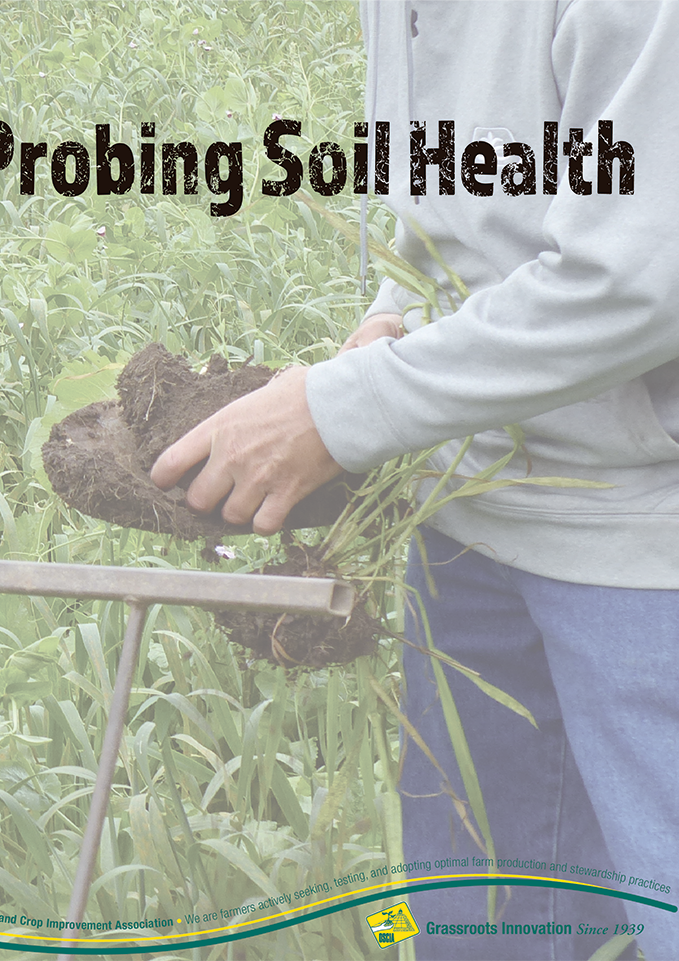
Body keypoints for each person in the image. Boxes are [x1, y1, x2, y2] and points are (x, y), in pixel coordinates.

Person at [152, 1, 679, 958]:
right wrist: (392, 313)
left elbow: (640, 276)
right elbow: (461, 205)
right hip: (467, 521)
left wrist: (339, 412)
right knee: (475, 916)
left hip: (642, 543)